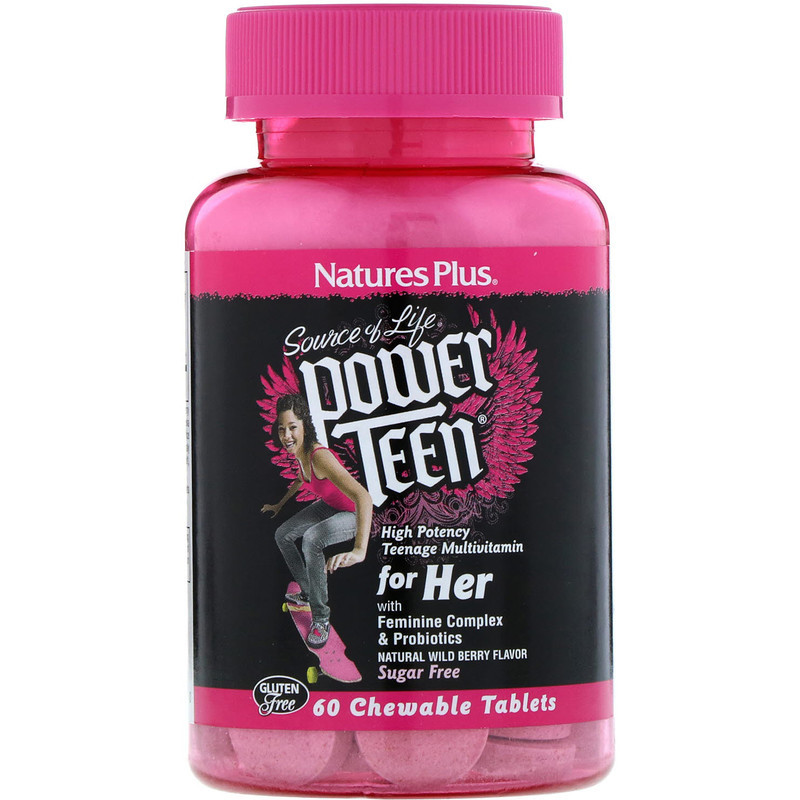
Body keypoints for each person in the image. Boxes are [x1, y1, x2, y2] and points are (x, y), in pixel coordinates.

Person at [262, 393, 372, 648]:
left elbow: (364, 498)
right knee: (282, 534)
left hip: (353, 513)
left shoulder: (319, 456)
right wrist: (280, 504)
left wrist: (359, 550)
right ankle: (308, 592)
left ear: (305, 426)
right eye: (282, 429)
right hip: (330, 506)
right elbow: (301, 479)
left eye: (292, 427)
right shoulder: (300, 454)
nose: (286, 435)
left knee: (312, 539)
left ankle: (321, 618)